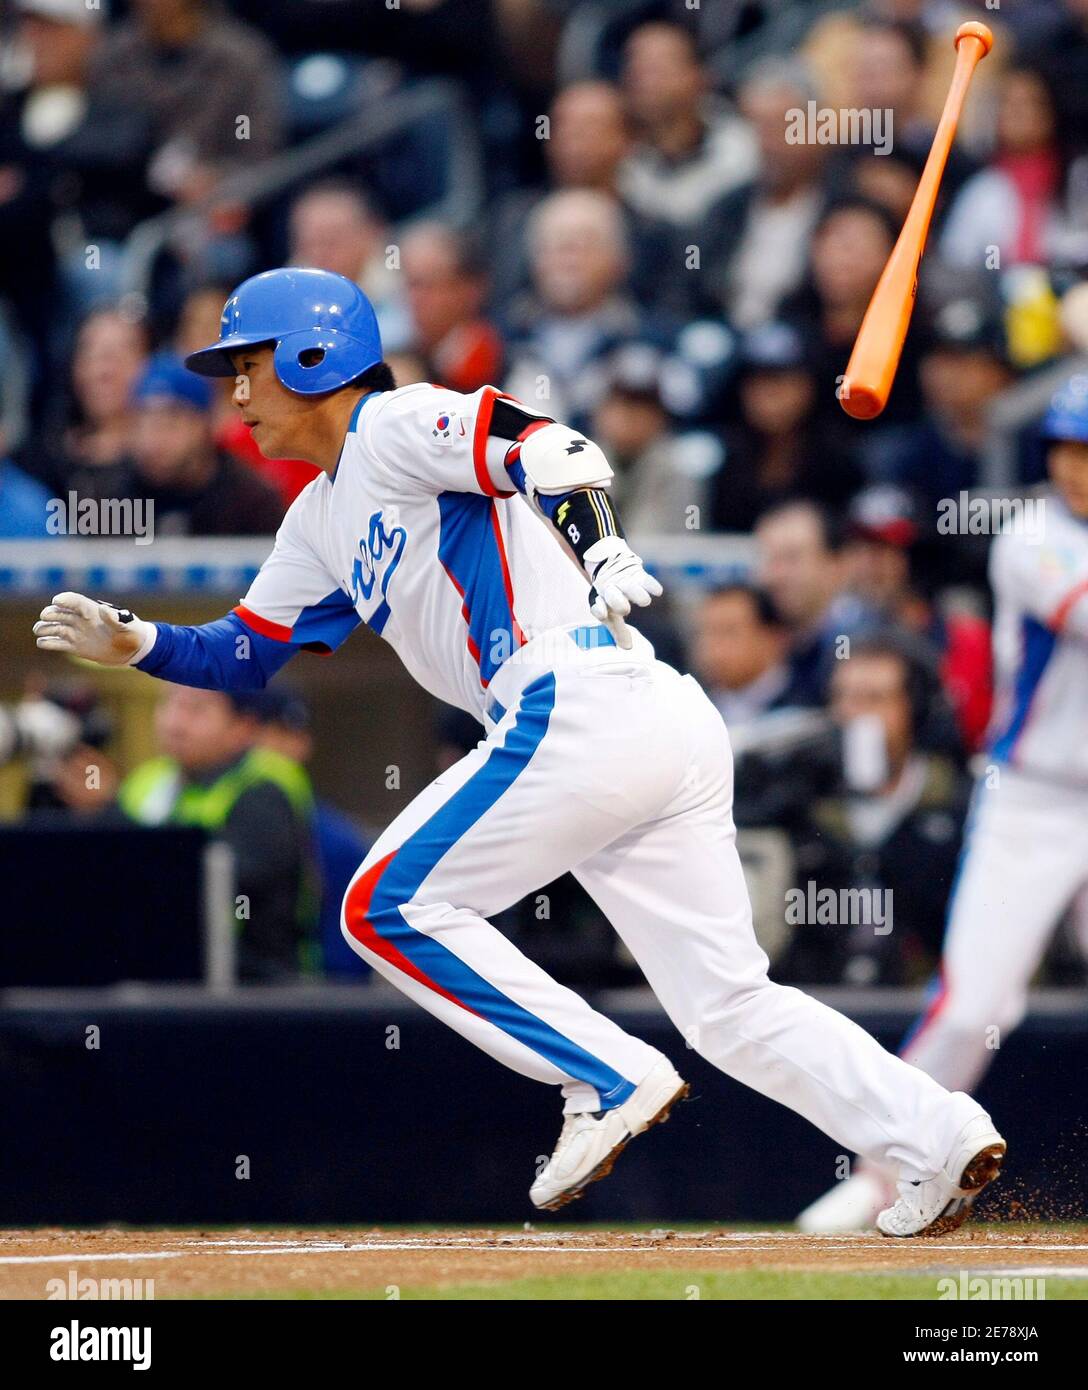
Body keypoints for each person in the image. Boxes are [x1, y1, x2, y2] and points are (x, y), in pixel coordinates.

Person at [33, 266, 1005, 1235]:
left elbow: (550, 444)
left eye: (246, 366)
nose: (233, 394)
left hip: (574, 696)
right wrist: (138, 643)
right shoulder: (317, 517)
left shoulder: (395, 421)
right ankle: (937, 1131)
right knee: (726, 1006)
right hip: (639, 718)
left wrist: (599, 547)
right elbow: (247, 648)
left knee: (383, 905)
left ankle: (604, 1073)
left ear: (312, 354)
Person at [799, 374, 1088, 1233]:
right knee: (975, 1007)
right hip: (1034, 799)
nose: (1078, 471)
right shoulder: (1032, 539)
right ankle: (883, 1177)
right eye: (1068, 453)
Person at [781, 632, 969, 988]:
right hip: (823, 1004)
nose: (853, 713)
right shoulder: (801, 802)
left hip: (923, 1000)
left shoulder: (958, 806)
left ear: (916, 709)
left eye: (874, 699)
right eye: (843, 697)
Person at [116, 685, 319, 983]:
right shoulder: (144, 782)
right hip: (161, 979)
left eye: (197, 709)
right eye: (169, 703)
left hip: (258, 989)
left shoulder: (266, 785)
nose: (175, 722)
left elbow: (223, 882)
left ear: (243, 727)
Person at [124, 353, 285, 536]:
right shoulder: (116, 495)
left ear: (205, 424)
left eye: (170, 424)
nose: (153, 440)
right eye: (143, 425)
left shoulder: (252, 504)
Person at [691, 585, 793, 732]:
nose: (711, 646)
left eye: (727, 632)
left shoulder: (812, 704)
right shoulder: (692, 710)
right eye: (704, 633)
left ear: (772, 639)